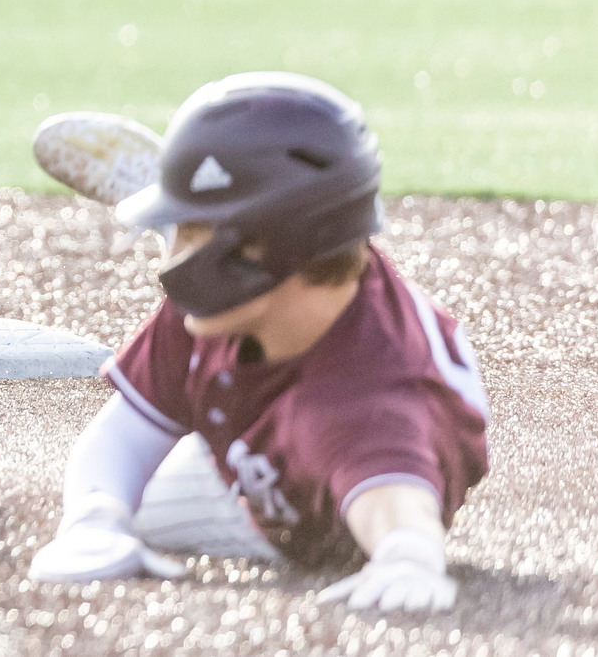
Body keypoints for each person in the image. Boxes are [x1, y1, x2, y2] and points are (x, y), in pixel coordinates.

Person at [28, 74, 489, 612]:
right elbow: (124, 434)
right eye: (180, 231)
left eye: (190, 234)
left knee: (149, 514)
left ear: (261, 249)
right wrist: (95, 521)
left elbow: (397, 504)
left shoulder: (370, 399)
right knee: (114, 503)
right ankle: (192, 199)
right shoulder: (220, 309)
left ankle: (184, 196)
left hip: (290, 477)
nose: (169, 269)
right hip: (268, 402)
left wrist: (408, 558)